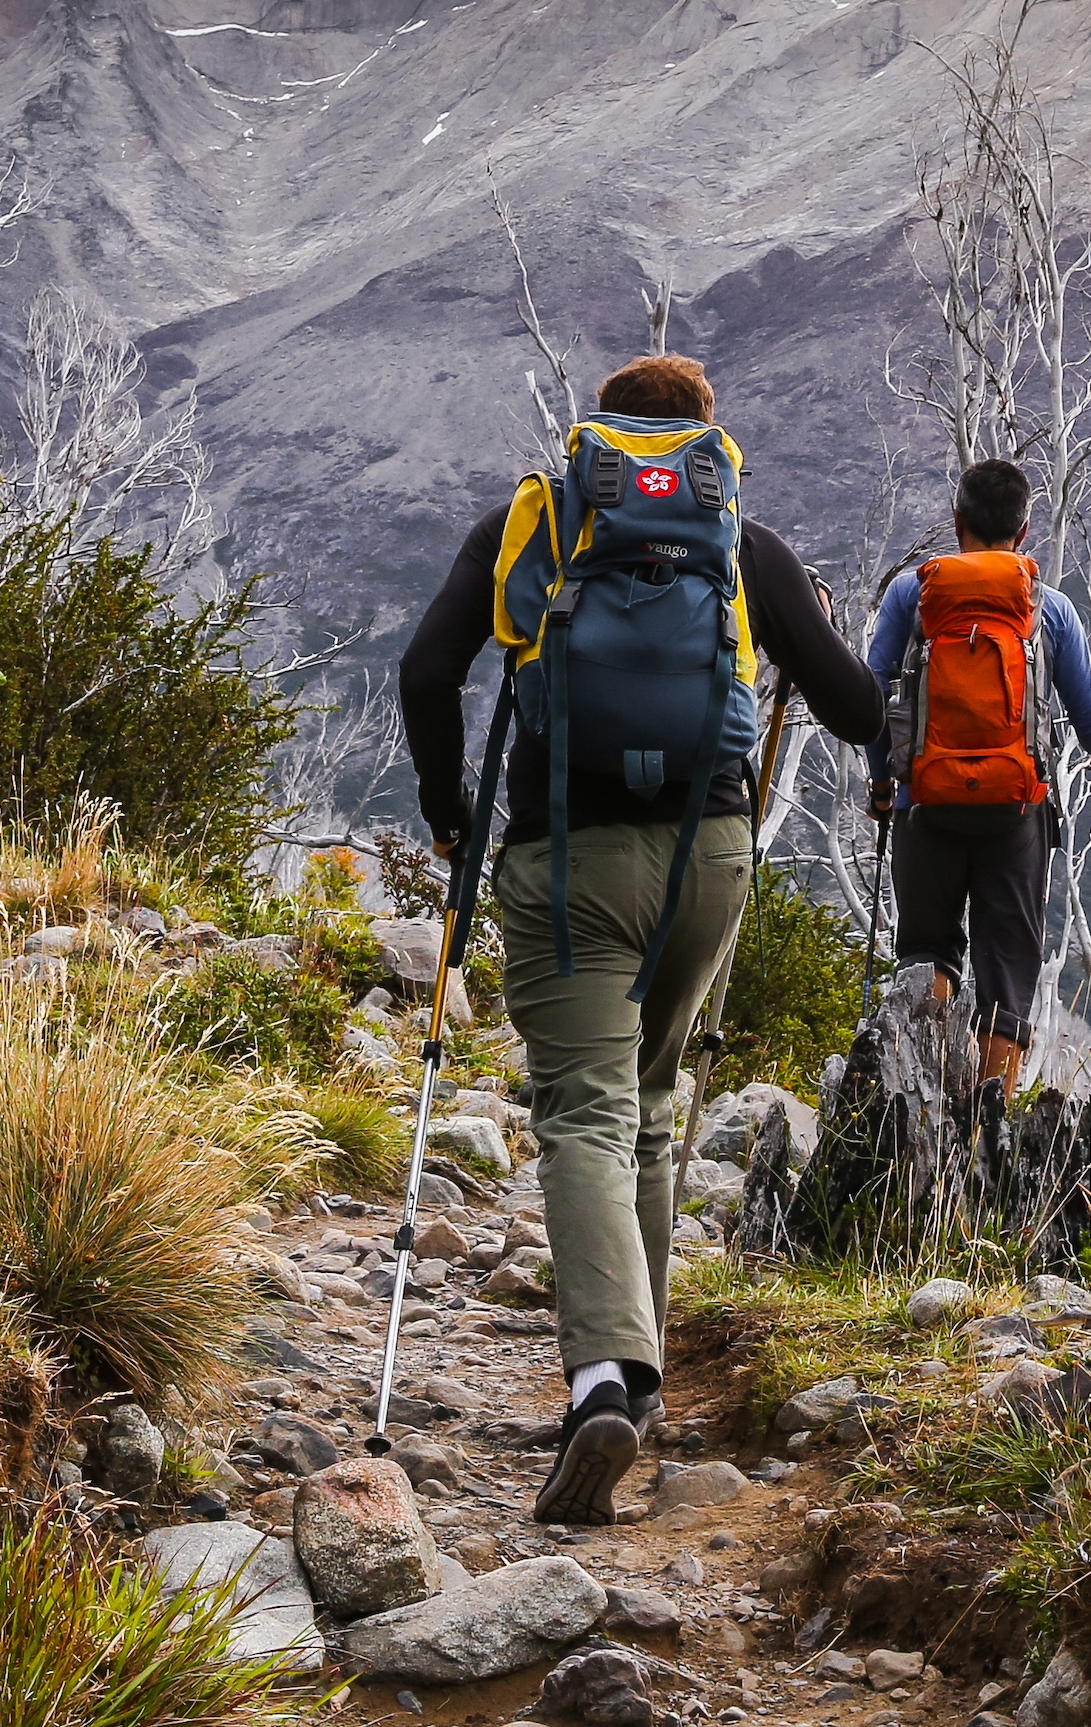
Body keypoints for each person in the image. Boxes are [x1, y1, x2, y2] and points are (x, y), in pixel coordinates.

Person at [398, 352, 881, 1525]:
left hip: (565, 852)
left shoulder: (533, 520)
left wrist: (450, 806)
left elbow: (427, 670)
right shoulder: (743, 544)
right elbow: (860, 711)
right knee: (653, 1103)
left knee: (581, 1109)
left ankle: (603, 1377)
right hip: (707, 858)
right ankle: (643, 1377)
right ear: (702, 439)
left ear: (600, 433)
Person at [865, 457, 1091, 1100]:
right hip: (1016, 811)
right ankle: (994, 1117)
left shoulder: (912, 594)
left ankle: (916, 1101)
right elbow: (1088, 712)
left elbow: (872, 690)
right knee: (1009, 965)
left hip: (925, 805)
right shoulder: (1049, 608)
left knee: (927, 951)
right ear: (1025, 530)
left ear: (957, 522)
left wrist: (883, 780)